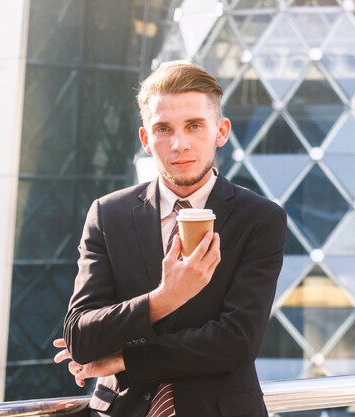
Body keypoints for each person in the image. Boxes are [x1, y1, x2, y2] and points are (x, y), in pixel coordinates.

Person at [53, 61, 287, 417]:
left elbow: (236, 342)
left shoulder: (259, 218)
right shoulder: (108, 214)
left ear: (220, 131)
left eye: (194, 126)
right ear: (146, 139)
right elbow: (81, 337)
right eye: (163, 128)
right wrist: (162, 299)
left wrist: (123, 358)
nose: (179, 144)